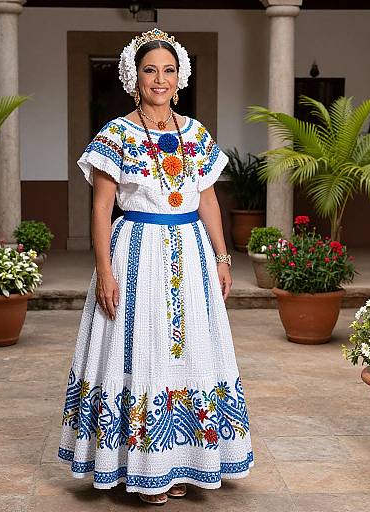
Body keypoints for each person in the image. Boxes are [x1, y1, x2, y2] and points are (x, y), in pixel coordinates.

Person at [58, 28, 254, 506]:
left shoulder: (195, 134)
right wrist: (105, 270)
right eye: (150, 70)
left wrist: (223, 256)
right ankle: (143, 468)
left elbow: (207, 197)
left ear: (179, 76)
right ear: (134, 77)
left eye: (168, 70)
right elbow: (101, 209)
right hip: (136, 253)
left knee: (191, 353)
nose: (160, 79)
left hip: (191, 256)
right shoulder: (116, 135)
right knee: (139, 351)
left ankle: (184, 459)